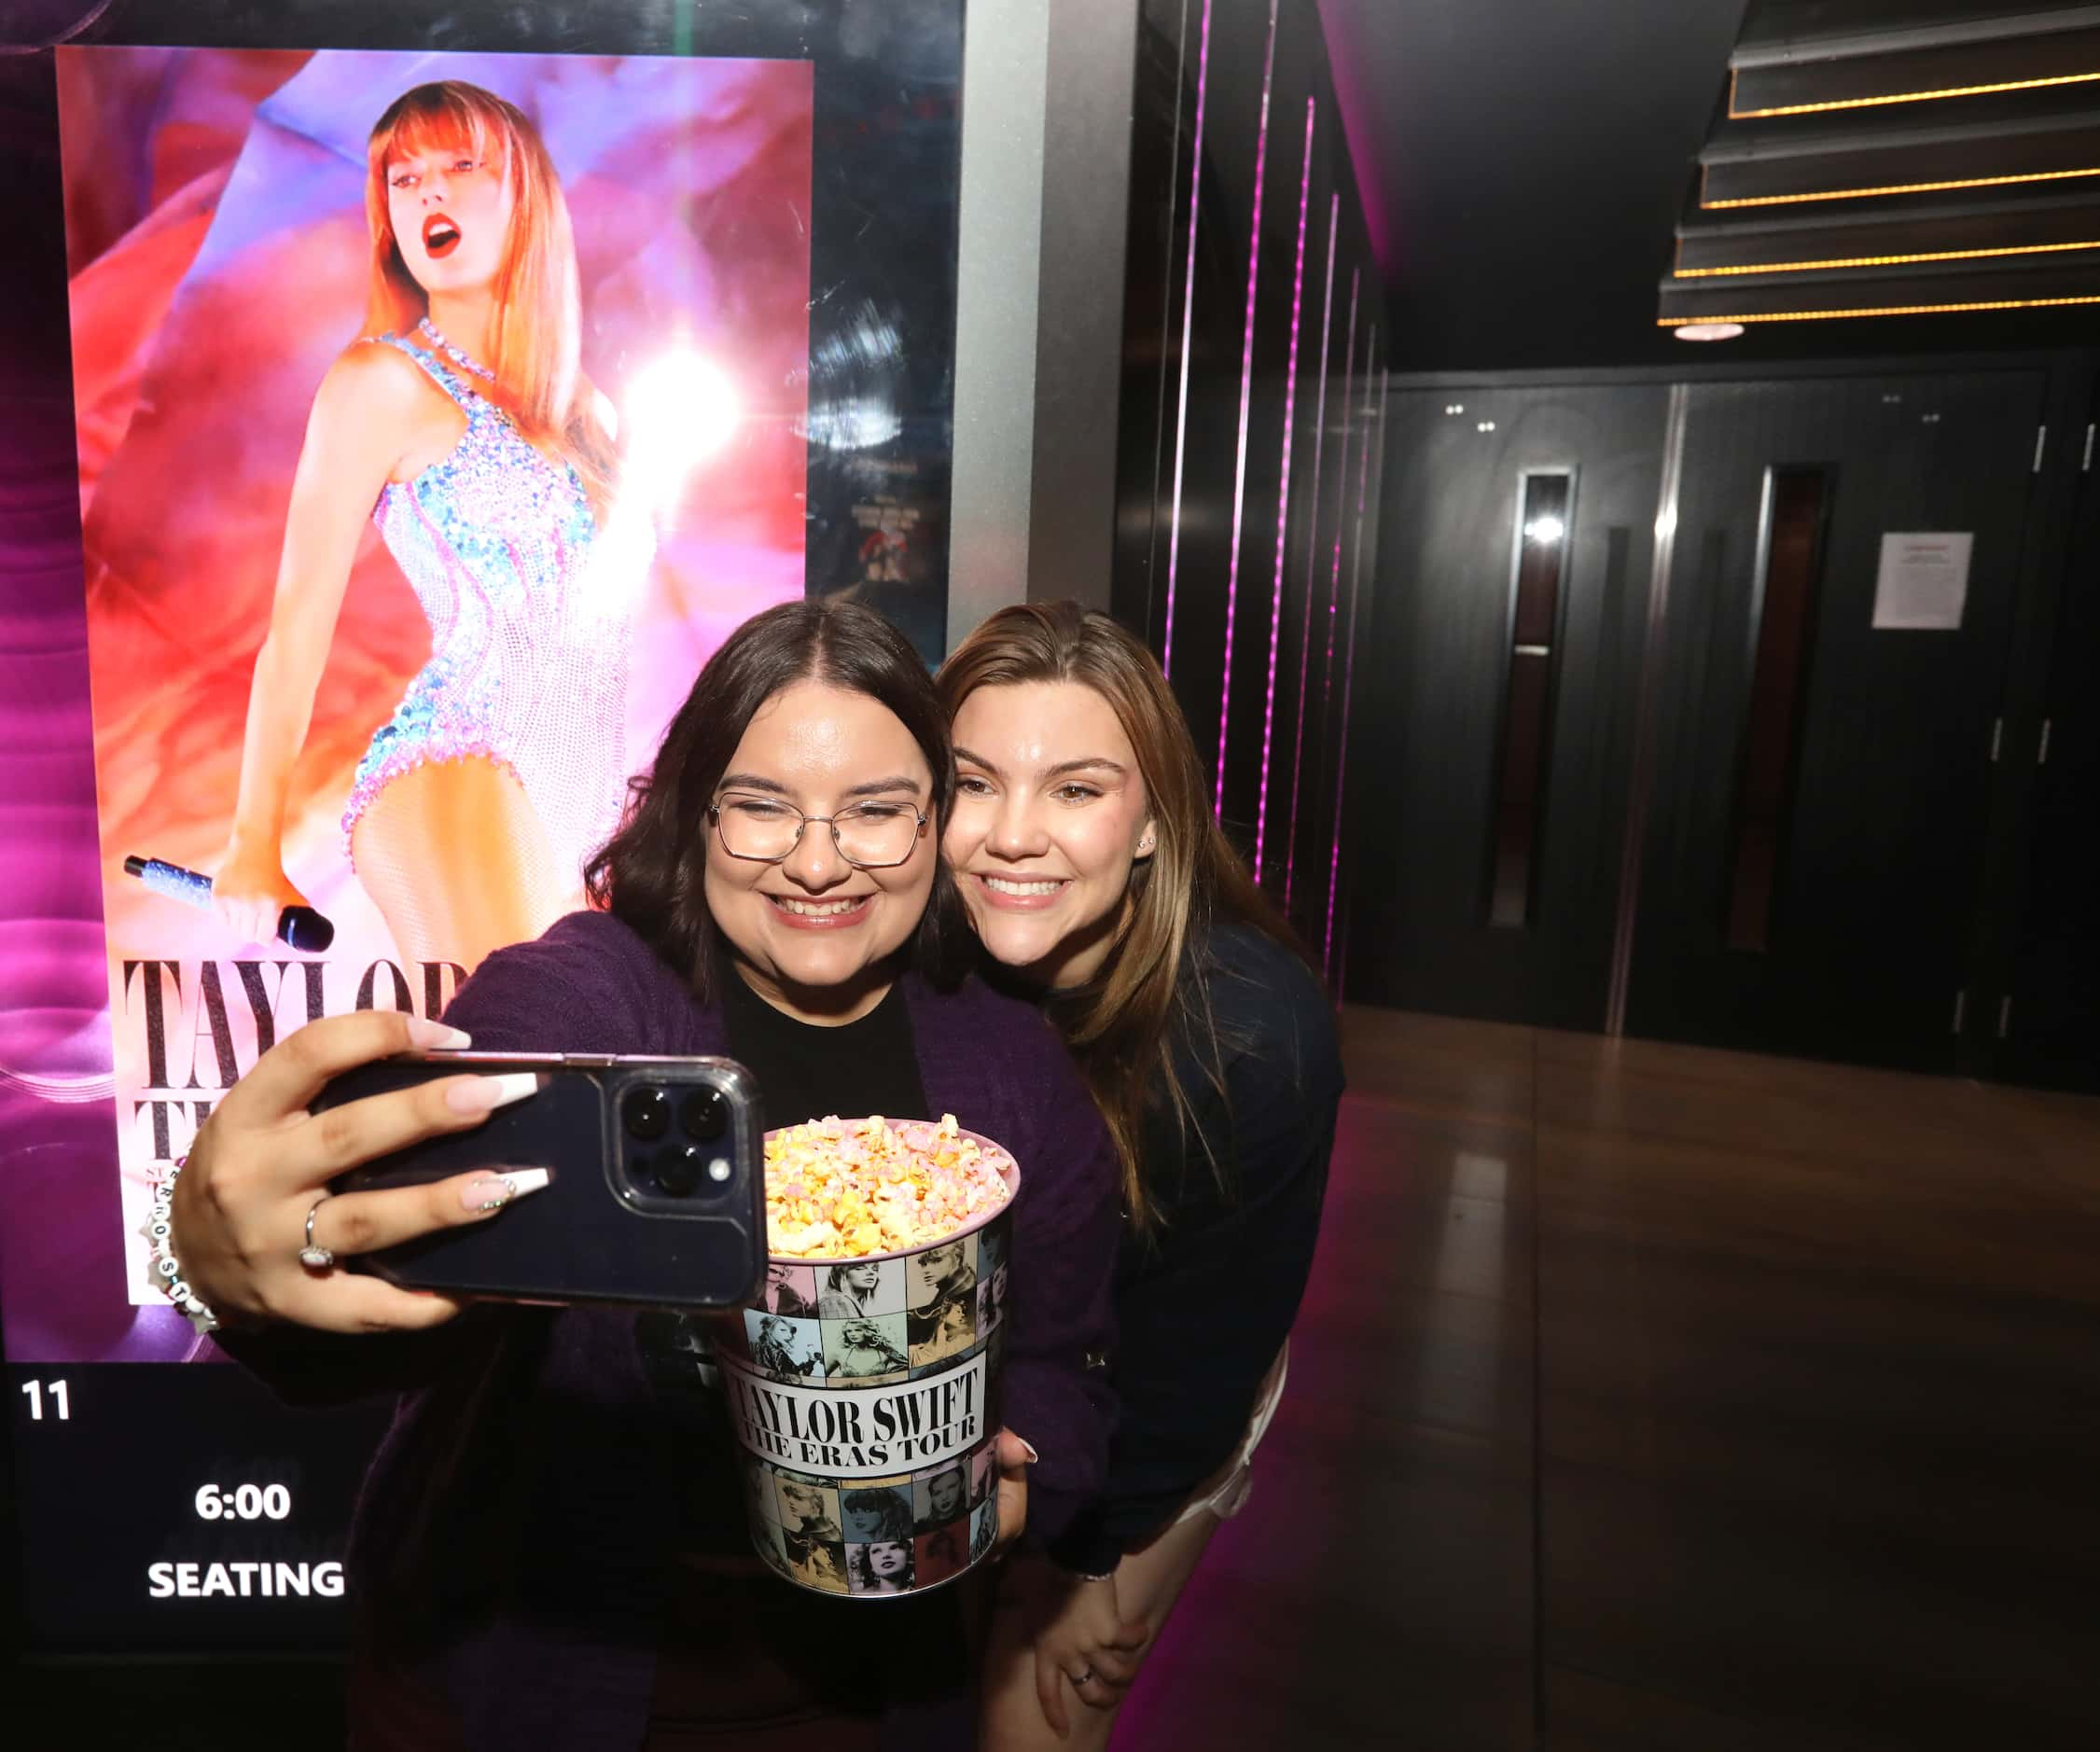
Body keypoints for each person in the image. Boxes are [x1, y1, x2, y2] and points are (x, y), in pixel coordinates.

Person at [167, 598, 1121, 1748]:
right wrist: (262, 1265)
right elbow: (416, 1270)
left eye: (875, 813)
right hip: (523, 1684)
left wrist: (1018, 1460)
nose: (818, 863)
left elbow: (1067, 1362)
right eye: (761, 810)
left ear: (934, 828)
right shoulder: (594, 998)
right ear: (695, 814)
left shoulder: (1012, 1066)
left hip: (854, 1695)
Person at [939, 602, 1343, 1747]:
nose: (1014, 835)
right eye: (975, 783)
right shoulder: (910, 966)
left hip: (1165, 1398)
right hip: (1011, 1367)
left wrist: (1090, 1564)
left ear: (1154, 822)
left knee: (1036, 1711)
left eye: (1075, 789)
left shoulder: (1250, 1039)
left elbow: (1191, 1370)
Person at [211, 79, 645, 974]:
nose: (428, 194)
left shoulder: (595, 417)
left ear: (525, 195)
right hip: (458, 760)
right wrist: (254, 843)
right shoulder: (380, 385)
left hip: (589, 812)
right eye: (403, 181)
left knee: (585, 1079)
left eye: (459, 166)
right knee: (515, 1063)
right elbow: (295, 628)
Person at [816, 1259, 886, 1318]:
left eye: (875, 1269)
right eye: (860, 1268)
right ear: (841, 1274)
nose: (871, 1272)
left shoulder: (844, 1302)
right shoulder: (835, 1302)